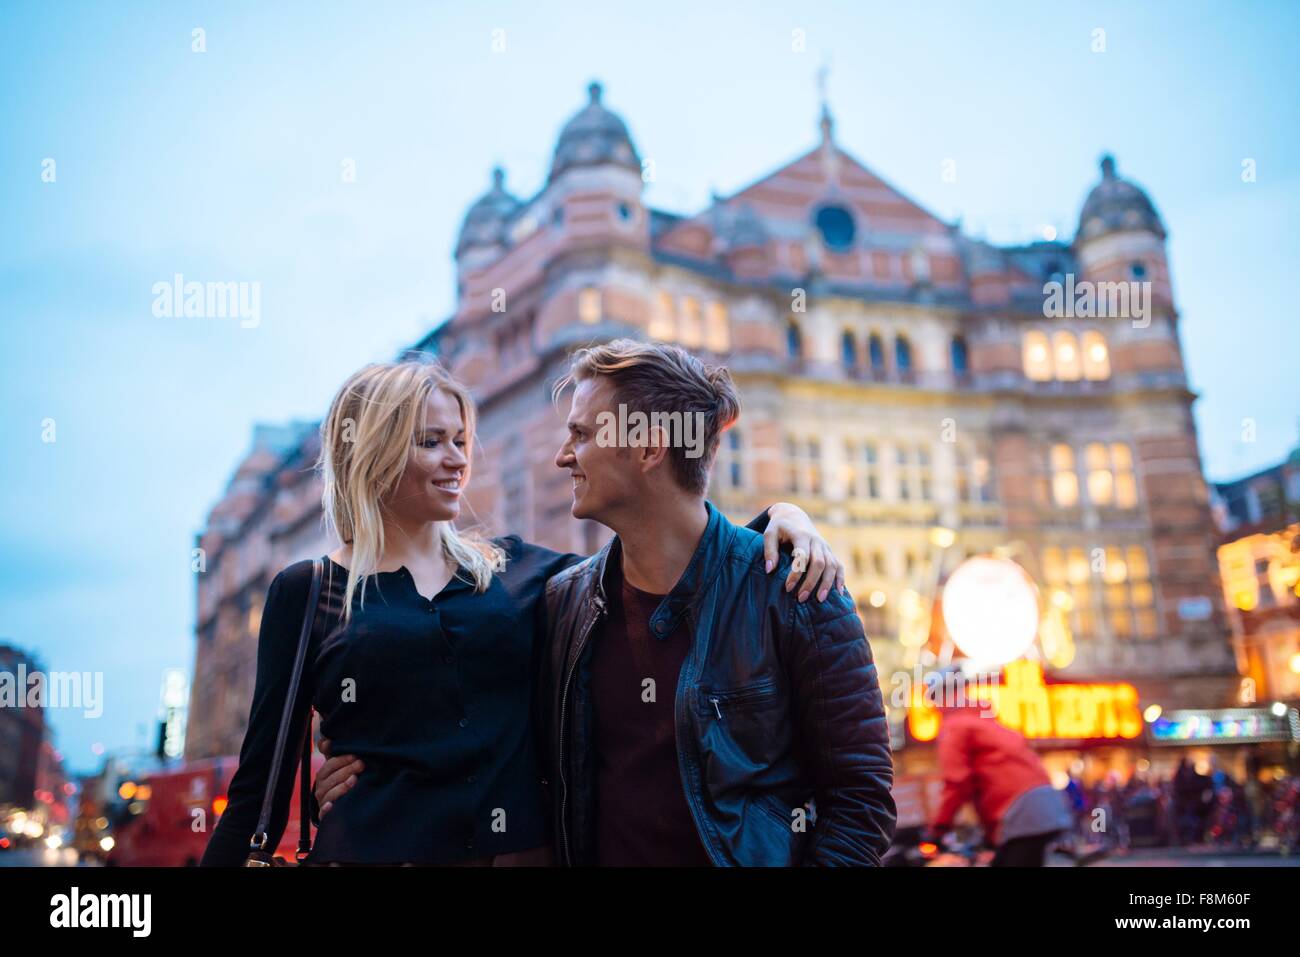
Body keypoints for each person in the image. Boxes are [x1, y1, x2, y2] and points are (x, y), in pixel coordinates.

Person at [200, 357, 838, 866]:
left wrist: (780, 521)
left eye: (460, 439)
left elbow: (670, 560)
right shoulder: (308, 590)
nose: (457, 460)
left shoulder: (522, 573)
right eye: (431, 442)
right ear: (373, 454)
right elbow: (258, 785)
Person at [538, 339, 895, 865]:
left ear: (648, 449)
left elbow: (861, 802)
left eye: (581, 434)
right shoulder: (564, 604)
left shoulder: (797, 588)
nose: (562, 455)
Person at [924, 669, 1071, 866]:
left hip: (1021, 812)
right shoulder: (984, 720)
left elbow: (956, 782)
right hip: (1042, 804)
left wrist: (937, 830)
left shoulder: (955, 726)